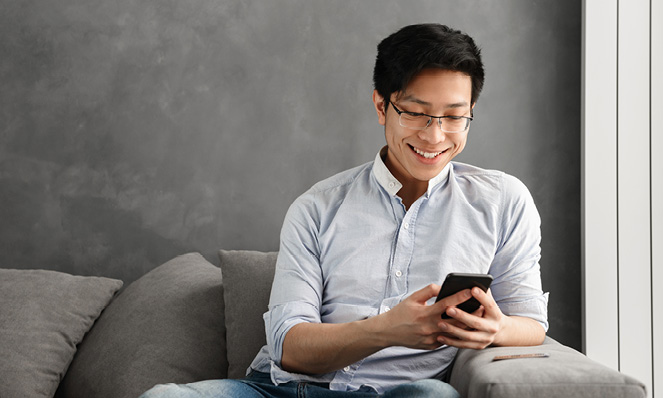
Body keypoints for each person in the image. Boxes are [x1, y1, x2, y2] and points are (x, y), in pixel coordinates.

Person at [140, 23, 548, 398]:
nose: (435, 135)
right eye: (416, 113)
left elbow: (532, 323)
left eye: (454, 117)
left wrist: (497, 328)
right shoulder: (317, 207)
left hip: (399, 393)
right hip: (282, 390)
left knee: (436, 397)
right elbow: (289, 347)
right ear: (381, 106)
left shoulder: (502, 202)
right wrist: (387, 330)